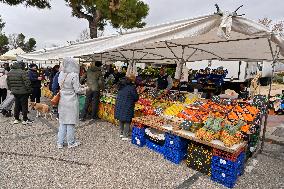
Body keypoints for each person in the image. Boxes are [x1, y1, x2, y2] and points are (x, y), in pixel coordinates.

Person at [57, 57, 85, 149]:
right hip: (71, 101)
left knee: (62, 122)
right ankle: (71, 142)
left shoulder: (61, 74)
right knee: (71, 123)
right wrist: (85, 89)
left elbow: (63, 86)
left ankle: (60, 143)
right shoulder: (74, 75)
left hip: (62, 101)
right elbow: (77, 90)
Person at [114, 75, 139, 140]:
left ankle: (121, 133)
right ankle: (125, 135)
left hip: (119, 104)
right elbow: (136, 97)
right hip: (127, 105)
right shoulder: (131, 87)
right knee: (127, 120)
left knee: (121, 118)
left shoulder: (121, 86)